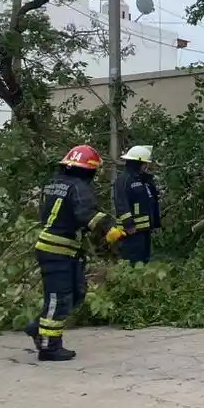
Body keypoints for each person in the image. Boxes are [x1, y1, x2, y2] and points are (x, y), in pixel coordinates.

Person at [24, 144, 125, 362]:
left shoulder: (53, 184)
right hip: (56, 251)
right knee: (57, 299)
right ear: (88, 170)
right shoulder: (79, 187)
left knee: (77, 293)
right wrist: (110, 230)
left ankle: (37, 327)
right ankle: (49, 347)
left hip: (64, 250)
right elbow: (86, 214)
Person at [112, 145, 161, 264]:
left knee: (144, 261)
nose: (146, 166)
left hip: (144, 230)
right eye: (144, 163)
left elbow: (151, 202)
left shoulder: (143, 180)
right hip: (131, 232)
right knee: (132, 262)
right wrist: (129, 225)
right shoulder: (123, 180)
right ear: (137, 162)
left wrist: (155, 224)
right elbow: (121, 203)